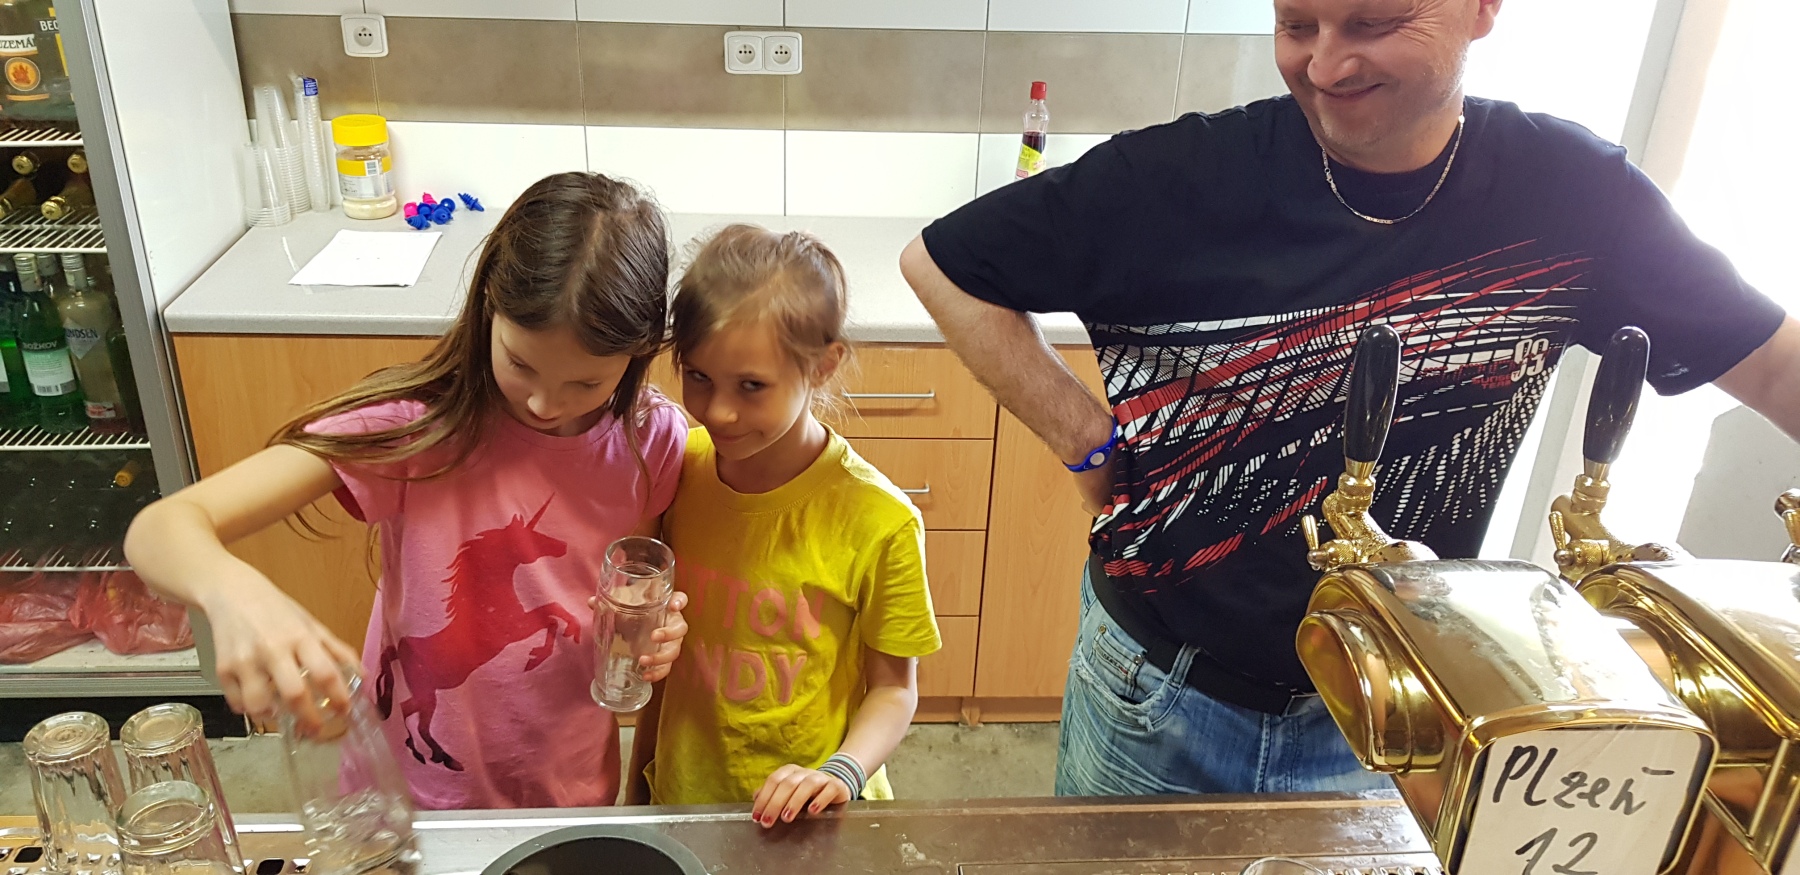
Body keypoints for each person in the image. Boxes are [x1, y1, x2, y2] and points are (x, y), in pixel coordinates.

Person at [900, 0, 1800, 797]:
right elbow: (941, 264)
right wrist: (1088, 440)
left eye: (1373, 23)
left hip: (1391, 714)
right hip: (1162, 697)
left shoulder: (1573, 197)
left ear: (1482, 7)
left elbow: (1771, 364)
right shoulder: (1178, 176)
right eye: (1297, 26)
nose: (1326, 66)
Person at [125, 172, 692, 810]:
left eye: (585, 384)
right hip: (407, 797)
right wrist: (233, 592)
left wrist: (656, 629)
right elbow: (161, 527)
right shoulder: (418, 430)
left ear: (641, 352)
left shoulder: (652, 441)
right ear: (488, 309)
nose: (543, 403)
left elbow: (639, 582)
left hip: (568, 786)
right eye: (520, 363)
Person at [628, 224, 941, 827]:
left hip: (810, 813)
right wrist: (638, 782)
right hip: (686, 795)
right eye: (698, 376)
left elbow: (896, 689)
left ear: (823, 365)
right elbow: (666, 667)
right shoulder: (679, 469)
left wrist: (841, 771)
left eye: (752, 386)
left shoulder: (881, 520)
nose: (719, 411)